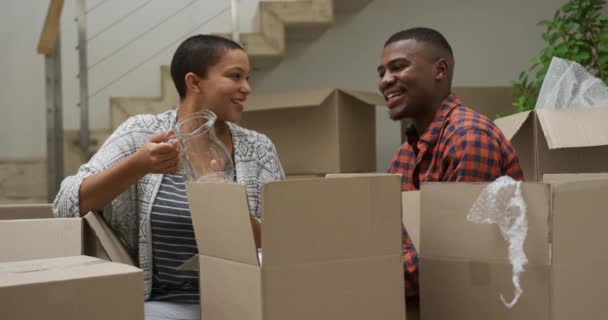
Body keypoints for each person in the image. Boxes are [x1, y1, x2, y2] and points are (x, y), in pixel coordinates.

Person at [53, 34, 285, 320]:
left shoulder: (259, 148)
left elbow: (285, 245)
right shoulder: (141, 133)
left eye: (248, 77)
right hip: (167, 305)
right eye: (235, 76)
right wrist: (137, 165)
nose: (247, 88)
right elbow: (65, 205)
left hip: (246, 302)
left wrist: (227, 205)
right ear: (194, 82)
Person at [376, 27, 524, 316]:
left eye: (398, 67)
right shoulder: (406, 154)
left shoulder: (468, 137)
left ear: (440, 70)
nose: (385, 81)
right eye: (381, 73)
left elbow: (455, 259)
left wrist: (363, 273)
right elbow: (387, 235)